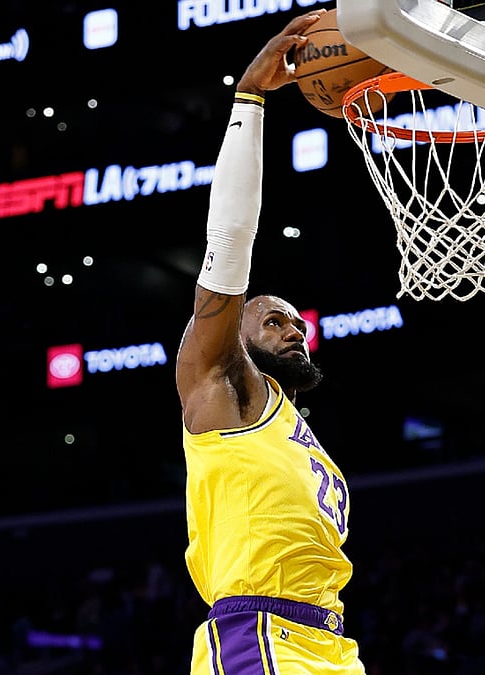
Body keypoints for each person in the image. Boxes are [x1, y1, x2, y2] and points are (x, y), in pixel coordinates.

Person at [174, 9, 366, 674]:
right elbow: (228, 246)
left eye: (299, 324)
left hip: (332, 643)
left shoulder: (294, 426)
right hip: (259, 634)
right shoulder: (219, 386)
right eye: (275, 320)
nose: (295, 330)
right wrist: (250, 102)